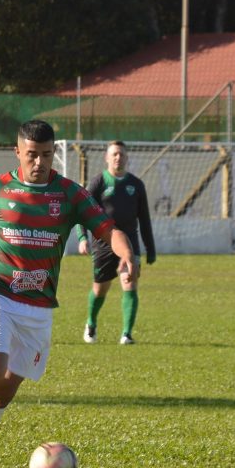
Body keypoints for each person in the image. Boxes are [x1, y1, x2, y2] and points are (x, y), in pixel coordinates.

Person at [0, 119, 133, 468]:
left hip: (39, 308)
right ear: (17, 152)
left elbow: (108, 229)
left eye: (45, 154)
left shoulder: (70, 194)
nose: (39, 163)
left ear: (53, 152)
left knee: (4, 390)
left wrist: (125, 256)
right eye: (31, 155)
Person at [78, 140, 156, 345]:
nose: (118, 157)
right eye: (114, 154)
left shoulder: (136, 185)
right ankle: (91, 323)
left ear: (127, 157)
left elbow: (144, 218)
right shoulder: (97, 183)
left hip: (129, 243)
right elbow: (82, 212)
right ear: (107, 158)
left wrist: (150, 247)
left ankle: (127, 334)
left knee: (129, 283)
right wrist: (82, 237)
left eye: (121, 154)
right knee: (100, 289)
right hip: (103, 243)